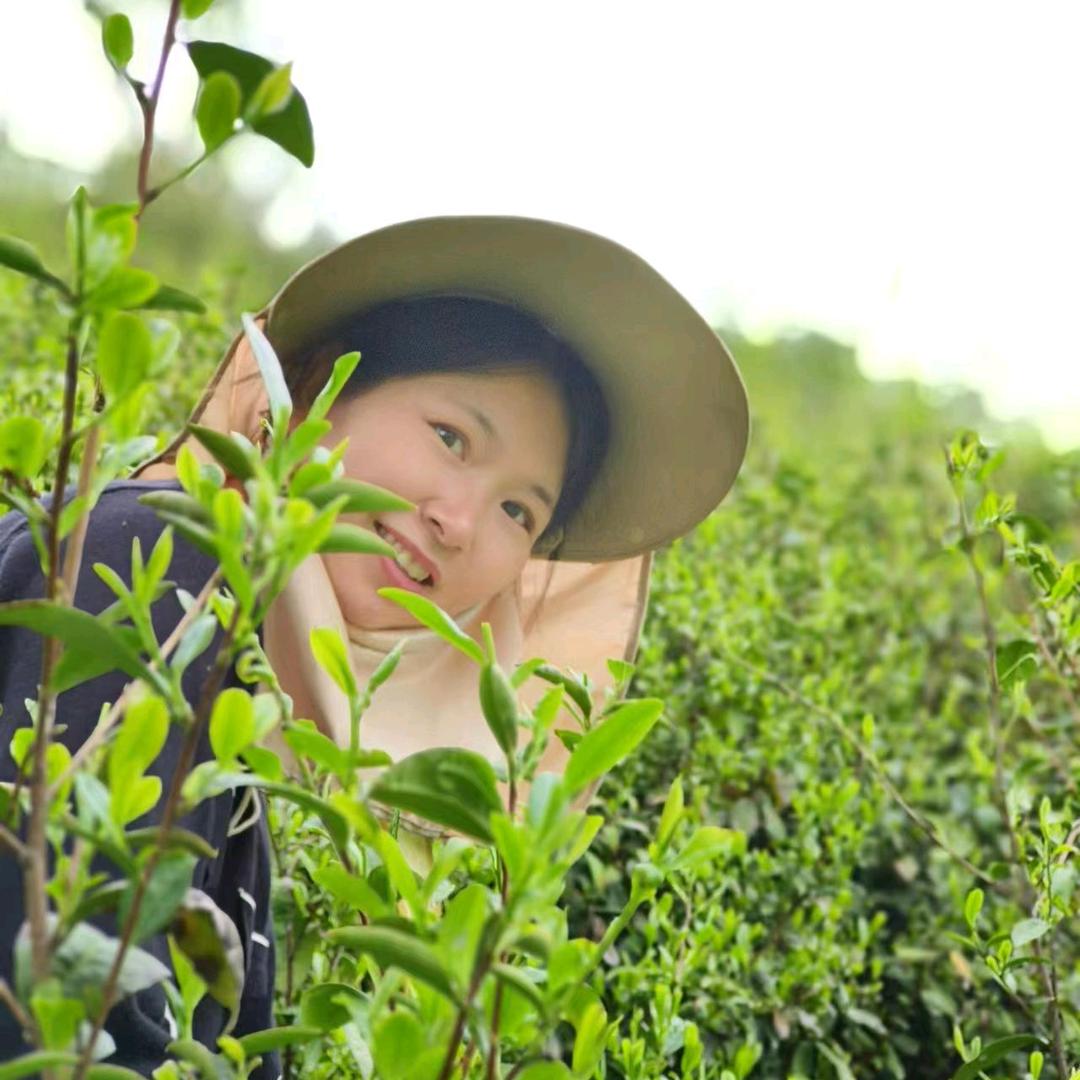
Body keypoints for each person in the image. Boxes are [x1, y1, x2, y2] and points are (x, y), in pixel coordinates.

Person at [0, 216, 749, 1069]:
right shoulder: (156, 564)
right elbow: (65, 1016)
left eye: (519, 512)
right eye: (450, 437)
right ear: (320, 392)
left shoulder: (251, 685)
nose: (460, 523)